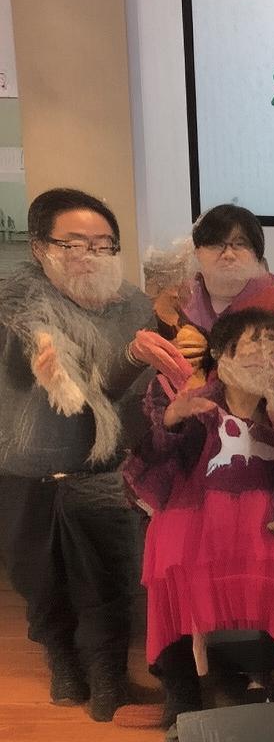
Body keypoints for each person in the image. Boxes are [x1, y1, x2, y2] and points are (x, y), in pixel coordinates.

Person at [126, 309, 274, 733]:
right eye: (253, 348)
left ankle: (257, 682)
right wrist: (171, 421)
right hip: (195, 528)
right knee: (177, 583)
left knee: (272, 578)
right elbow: (149, 469)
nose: (267, 360)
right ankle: (182, 696)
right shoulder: (195, 403)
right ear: (221, 355)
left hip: (264, 528)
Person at [0, 188, 162, 721]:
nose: (89, 256)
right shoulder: (16, 305)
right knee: (38, 578)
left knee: (110, 576)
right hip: (29, 466)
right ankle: (64, 665)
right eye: (73, 244)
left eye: (103, 244)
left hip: (104, 466)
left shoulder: (134, 306)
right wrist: (43, 358)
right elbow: (21, 371)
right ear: (40, 247)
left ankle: (109, 678)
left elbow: (121, 390)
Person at [169, 204, 274, 399]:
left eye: (239, 244)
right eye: (216, 244)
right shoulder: (181, 299)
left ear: (257, 255)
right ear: (197, 252)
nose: (228, 254)